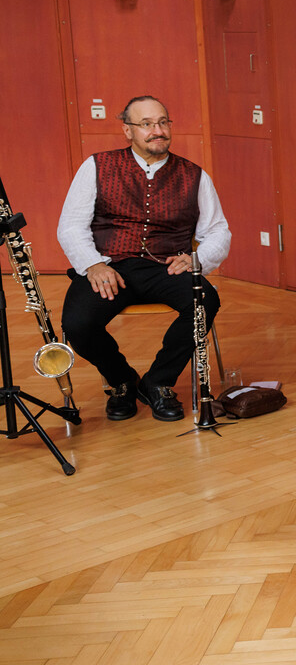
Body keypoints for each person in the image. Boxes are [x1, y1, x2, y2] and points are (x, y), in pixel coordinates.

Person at [57, 96, 231, 422]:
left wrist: (196, 259)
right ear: (128, 130)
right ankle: (122, 380)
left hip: (167, 267)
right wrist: (93, 264)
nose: (157, 131)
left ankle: (158, 382)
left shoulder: (194, 175)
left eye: (163, 122)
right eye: (146, 124)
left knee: (205, 300)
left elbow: (218, 231)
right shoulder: (96, 166)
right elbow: (70, 225)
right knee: (77, 323)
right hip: (110, 265)